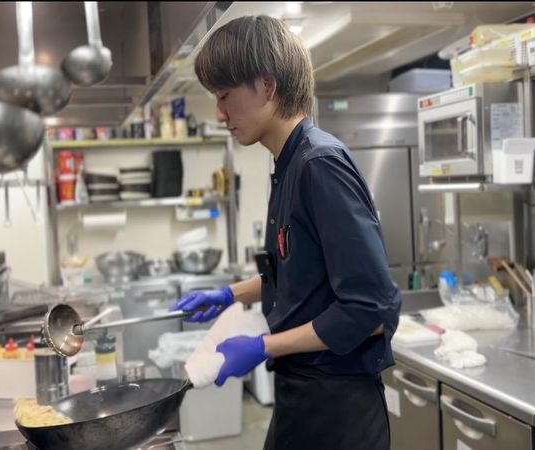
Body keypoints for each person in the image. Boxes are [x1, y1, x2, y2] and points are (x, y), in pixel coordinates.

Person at [169, 15, 401, 450]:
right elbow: (296, 275)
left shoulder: (319, 165)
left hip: (338, 411)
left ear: (267, 86)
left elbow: (371, 309)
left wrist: (264, 345)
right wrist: (229, 294)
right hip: (302, 397)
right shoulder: (289, 163)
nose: (219, 113)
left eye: (224, 96)